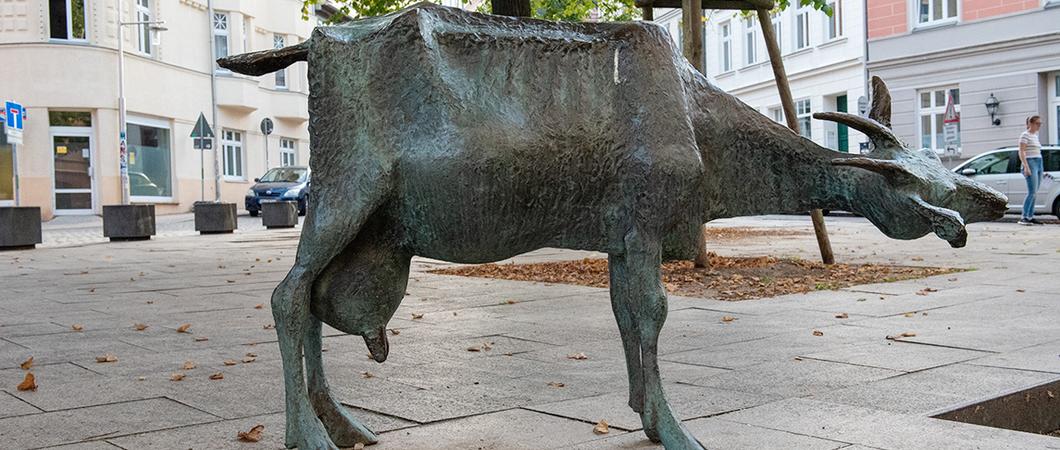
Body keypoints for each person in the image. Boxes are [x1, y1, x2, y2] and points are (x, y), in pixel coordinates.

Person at [1017, 115, 1044, 225]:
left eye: (1040, 124)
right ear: (1031, 124)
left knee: (1035, 193)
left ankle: (1030, 216)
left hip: (1039, 162)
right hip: (1030, 162)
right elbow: (1021, 151)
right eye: (1037, 123)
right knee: (1031, 192)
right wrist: (1026, 166)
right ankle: (1024, 217)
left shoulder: (1035, 136)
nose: (1039, 126)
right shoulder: (1025, 135)